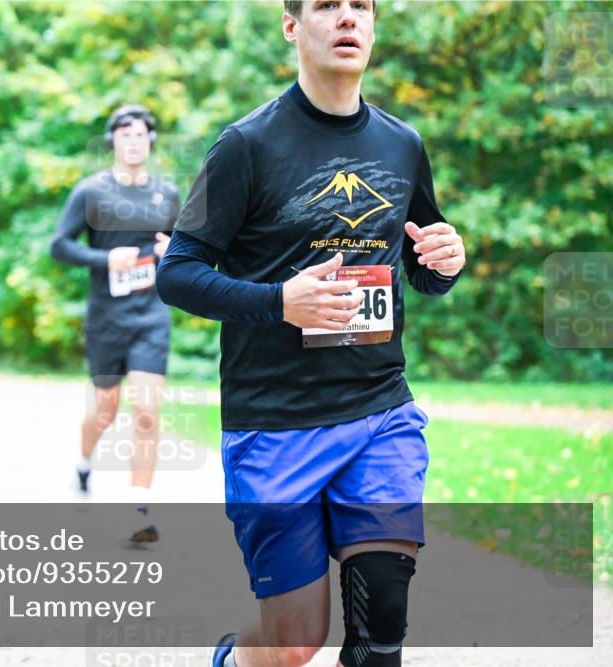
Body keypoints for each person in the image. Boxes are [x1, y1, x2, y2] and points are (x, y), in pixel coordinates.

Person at [156, 2, 466, 666]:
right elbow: (176, 273)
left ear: (375, 28)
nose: (347, 18)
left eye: (362, 6)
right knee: (296, 641)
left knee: (382, 619)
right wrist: (279, 301)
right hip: (275, 422)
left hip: (380, 409)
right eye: (328, 5)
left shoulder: (402, 143)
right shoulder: (243, 145)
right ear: (293, 26)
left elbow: (421, 266)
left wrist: (446, 261)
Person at [51, 104, 179, 541]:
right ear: (113, 142)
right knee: (104, 410)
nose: (133, 140)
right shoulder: (91, 192)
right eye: (125, 134)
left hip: (151, 314)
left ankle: (138, 509)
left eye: (141, 134)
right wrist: (106, 258)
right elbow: (59, 246)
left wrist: (171, 251)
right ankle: (84, 463)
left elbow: (184, 248)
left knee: (146, 411)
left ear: (150, 142)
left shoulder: (167, 193)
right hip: (106, 317)